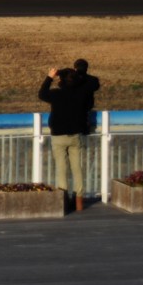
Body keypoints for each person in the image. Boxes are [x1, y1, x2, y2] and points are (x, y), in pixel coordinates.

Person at [38, 67, 90, 211]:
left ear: (60, 80)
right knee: (77, 168)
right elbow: (84, 87)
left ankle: (64, 201)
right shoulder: (81, 94)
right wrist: (77, 73)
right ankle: (79, 201)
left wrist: (49, 77)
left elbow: (42, 94)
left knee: (61, 169)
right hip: (76, 135)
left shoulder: (56, 94)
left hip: (59, 136)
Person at [73, 58, 101, 131]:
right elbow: (96, 87)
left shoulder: (71, 80)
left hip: (74, 111)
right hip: (88, 110)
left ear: (75, 68)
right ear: (86, 68)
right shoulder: (93, 80)